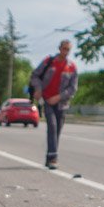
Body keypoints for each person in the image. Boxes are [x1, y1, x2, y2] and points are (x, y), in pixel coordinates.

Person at [29, 39, 78, 170]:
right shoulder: (49, 62)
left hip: (62, 103)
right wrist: (38, 89)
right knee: (52, 125)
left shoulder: (72, 67)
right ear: (59, 48)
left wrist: (59, 97)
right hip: (47, 100)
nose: (66, 52)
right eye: (64, 49)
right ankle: (53, 158)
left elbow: (73, 88)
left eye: (68, 49)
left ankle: (50, 156)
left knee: (57, 130)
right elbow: (35, 76)